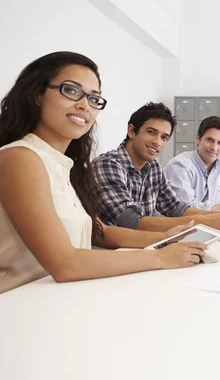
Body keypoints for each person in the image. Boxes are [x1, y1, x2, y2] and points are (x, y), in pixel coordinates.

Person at [0, 52, 207, 294]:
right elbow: (65, 263)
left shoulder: (66, 166)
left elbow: (99, 233)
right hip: (17, 307)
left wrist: (165, 238)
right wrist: (161, 258)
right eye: (71, 90)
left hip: (57, 298)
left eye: (93, 98)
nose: (84, 105)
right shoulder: (20, 157)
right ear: (37, 94)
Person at [93, 103, 220, 233]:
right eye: (151, 132)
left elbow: (175, 207)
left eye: (164, 137)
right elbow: (131, 222)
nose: (157, 142)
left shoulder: (153, 167)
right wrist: (203, 221)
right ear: (132, 131)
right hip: (112, 253)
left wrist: (217, 217)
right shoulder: (109, 164)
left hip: (143, 246)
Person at [164, 116, 220, 215]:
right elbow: (185, 208)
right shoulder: (179, 166)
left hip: (217, 226)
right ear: (198, 139)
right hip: (185, 226)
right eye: (210, 140)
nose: (214, 148)